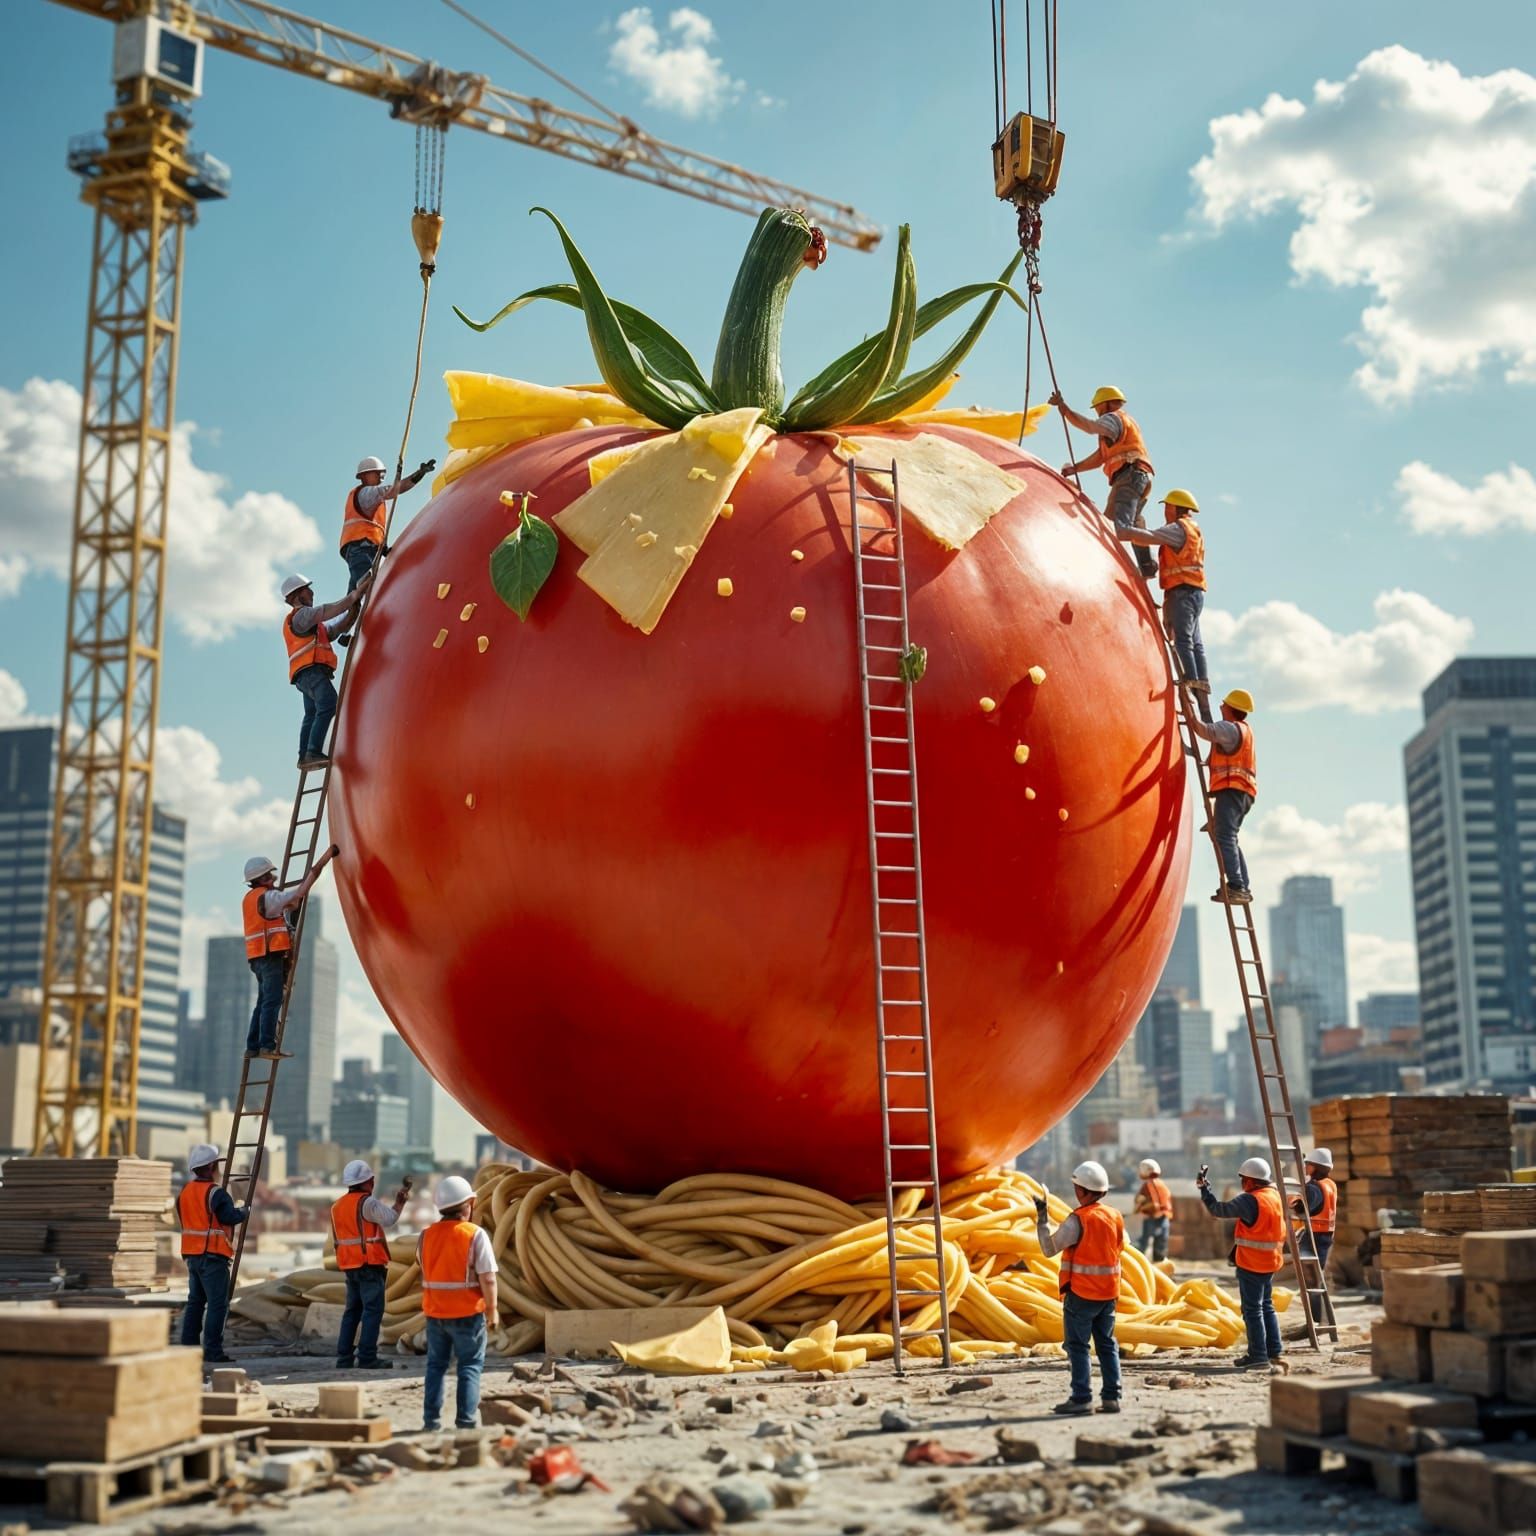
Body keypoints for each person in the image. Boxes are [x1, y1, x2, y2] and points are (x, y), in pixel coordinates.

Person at [1034, 1160, 1123, 1415]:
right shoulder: (1115, 1216)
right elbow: (1116, 1250)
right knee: (1107, 1345)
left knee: (1078, 1347)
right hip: (1109, 1293)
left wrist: (1042, 1219)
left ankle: (1082, 1398)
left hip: (1082, 1295)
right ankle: (1111, 1398)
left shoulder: (1078, 1220)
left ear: (1081, 1191)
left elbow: (1049, 1249)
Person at [1115, 488, 1212, 722]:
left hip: (1182, 593)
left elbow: (1150, 537)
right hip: (1194, 591)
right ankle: (1201, 693)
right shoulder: (1193, 528)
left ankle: (1190, 679)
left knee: (1183, 640)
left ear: (1174, 508)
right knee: (1195, 643)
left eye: (1167, 506)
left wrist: (1125, 531)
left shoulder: (1178, 529)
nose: (1165, 511)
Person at [1048, 385, 1159, 581]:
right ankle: (1147, 566)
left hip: (1130, 475)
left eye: (1098, 407)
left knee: (1115, 526)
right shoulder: (1123, 424)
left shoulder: (1113, 418)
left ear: (1106, 404)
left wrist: (1064, 408)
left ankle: (1112, 566)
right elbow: (1101, 457)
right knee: (1128, 521)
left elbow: (1089, 427)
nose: (1098, 412)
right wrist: (1076, 468)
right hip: (1140, 476)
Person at [242, 844, 338, 1058]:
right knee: (272, 1001)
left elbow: (272, 917)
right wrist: (321, 863)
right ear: (262, 878)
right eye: (269, 876)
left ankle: (252, 1047)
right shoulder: (268, 898)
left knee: (262, 1002)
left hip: (257, 957)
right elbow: (300, 891)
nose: (273, 879)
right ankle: (267, 1045)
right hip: (270, 956)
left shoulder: (250, 899)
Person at [418, 1175, 497, 1432]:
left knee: (435, 1367)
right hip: (467, 1314)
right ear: (469, 1204)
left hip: (435, 1314)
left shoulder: (426, 1236)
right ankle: (465, 1421)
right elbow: (488, 1278)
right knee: (470, 1367)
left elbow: (426, 1269)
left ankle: (431, 1421)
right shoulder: (475, 1235)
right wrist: (492, 1311)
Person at [1198, 1155, 1285, 1369]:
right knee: (1267, 1306)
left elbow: (1218, 1210)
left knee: (1252, 1309)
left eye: (1243, 1179)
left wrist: (1204, 1190)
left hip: (1252, 1262)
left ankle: (1258, 1356)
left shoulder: (1250, 1199)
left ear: (1250, 1180)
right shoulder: (1273, 1195)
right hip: (1270, 1260)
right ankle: (1275, 1351)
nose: (1242, 1183)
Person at [281, 571, 370, 769]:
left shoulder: (308, 623)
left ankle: (305, 756)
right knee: (329, 703)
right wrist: (354, 596)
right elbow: (328, 610)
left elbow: (332, 631)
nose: (312, 593)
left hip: (305, 674)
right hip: (311, 672)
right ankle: (312, 751)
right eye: (307, 590)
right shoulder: (302, 615)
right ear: (297, 595)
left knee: (311, 714)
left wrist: (351, 615)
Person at [332, 1159, 409, 1371]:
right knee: (372, 1311)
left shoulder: (337, 1206)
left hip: (350, 1265)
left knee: (352, 1311)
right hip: (369, 1264)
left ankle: (344, 1357)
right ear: (369, 1181)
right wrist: (400, 1203)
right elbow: (389, 1219)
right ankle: (367, 1357)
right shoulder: (367, 1203)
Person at [178, 1142, 251, 1364]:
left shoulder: (185, 1192)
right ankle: (212, 1352)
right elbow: (229, 1217)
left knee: (195, 1303)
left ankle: (188, 1349)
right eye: (217, 1165)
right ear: (211, 1167)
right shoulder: (215, 1193)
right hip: (213, 1256)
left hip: (192, 1255)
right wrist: (244, 1211)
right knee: (217, 1305)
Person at [1187, 688, 1257, 904]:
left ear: (1231, 709)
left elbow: (1203, 730)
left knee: (1225, 836)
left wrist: (1188, 711)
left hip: (1232, 790)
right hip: (1243, 792)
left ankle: (1236, 885)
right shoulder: (1243, 730)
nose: (1220, 706)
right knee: (1230, 836)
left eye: (1224, 704)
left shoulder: (1229, 729)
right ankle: (1242, 885)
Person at [338, 455, 436, 607]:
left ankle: (346, 622)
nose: (381, 477)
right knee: (367, 584)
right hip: (360, 547)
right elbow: (394, 490)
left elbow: (374, 528)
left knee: (353, 596)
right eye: (377, 473)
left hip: (365, 547)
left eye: (382, 474)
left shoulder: (370, 498)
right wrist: (417, 475)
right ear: (364, 476)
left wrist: (383, 549)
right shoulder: (367, 493)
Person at [1290, 1148, 1337, 1324]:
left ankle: (1317, 1322)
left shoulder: (1313, 1187)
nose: (1305, 1167)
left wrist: (1294, 1203)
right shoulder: (1329, 1184)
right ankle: (1323, 1320)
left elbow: (1303, 1209)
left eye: (1307, 1164)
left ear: (1313, 1167)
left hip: (1313, 1237)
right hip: (1325, 1236)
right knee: (1318, 1281)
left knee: (1311, 1283)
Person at [1133, 1158, 1173, 1262]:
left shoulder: (1148, 1185)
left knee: (1143, 1245)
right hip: (1164, 1219)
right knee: (1160, 1248)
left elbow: (1154, 1205)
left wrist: (1140, 1208)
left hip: (1152, 1219)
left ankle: (1137, 1264)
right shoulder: (1162, 1184)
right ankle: (1160, 1268)